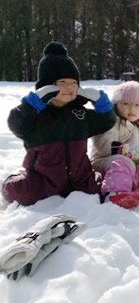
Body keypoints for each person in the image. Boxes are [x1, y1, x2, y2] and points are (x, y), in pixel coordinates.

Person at [2, 41, 117, 206]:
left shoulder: (80, 114)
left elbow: (107, 121)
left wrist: (101, 102)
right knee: (22, 193)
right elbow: (16, 123)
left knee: (97, 191)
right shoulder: (35, 116)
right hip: (43, 180)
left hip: (79, 180)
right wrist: (34, 102)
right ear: (47, 87)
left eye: (74, 83)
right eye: (63, 82)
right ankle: (11, 182)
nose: (70, 87)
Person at [91, 81, 139, 209]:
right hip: (104, 162)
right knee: (122, 161)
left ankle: (131, 181)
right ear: (116, 105)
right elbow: (103, 145)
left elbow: (138, 155)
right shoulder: (110, 122)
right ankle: (114, 193)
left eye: (137, 105)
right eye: (126, 104)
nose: (132, 109)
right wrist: (125, 150)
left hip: (129, 165)